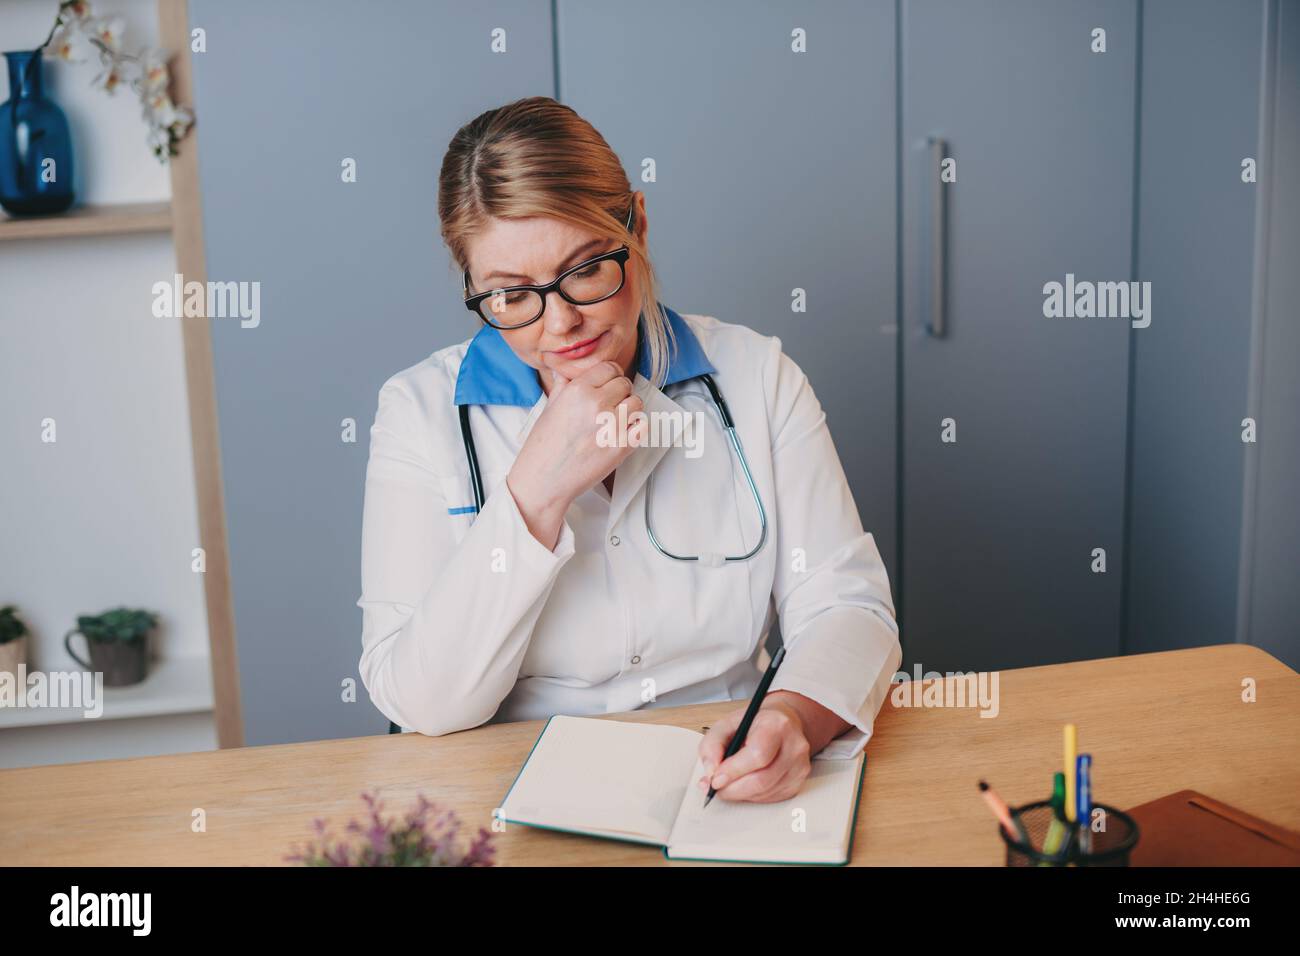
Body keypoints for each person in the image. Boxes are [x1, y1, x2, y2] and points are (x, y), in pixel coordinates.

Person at [358, 96, 900, 803]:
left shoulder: (757, 378)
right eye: (512, 296)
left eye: (585, 270)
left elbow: (847, 605)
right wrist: (534, 494)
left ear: (636, 224)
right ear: (474, 289)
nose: (561, 323)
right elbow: (419, 702)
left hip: (724, 774)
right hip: (513, 789)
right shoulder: (417, 414)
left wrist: (792, 715)